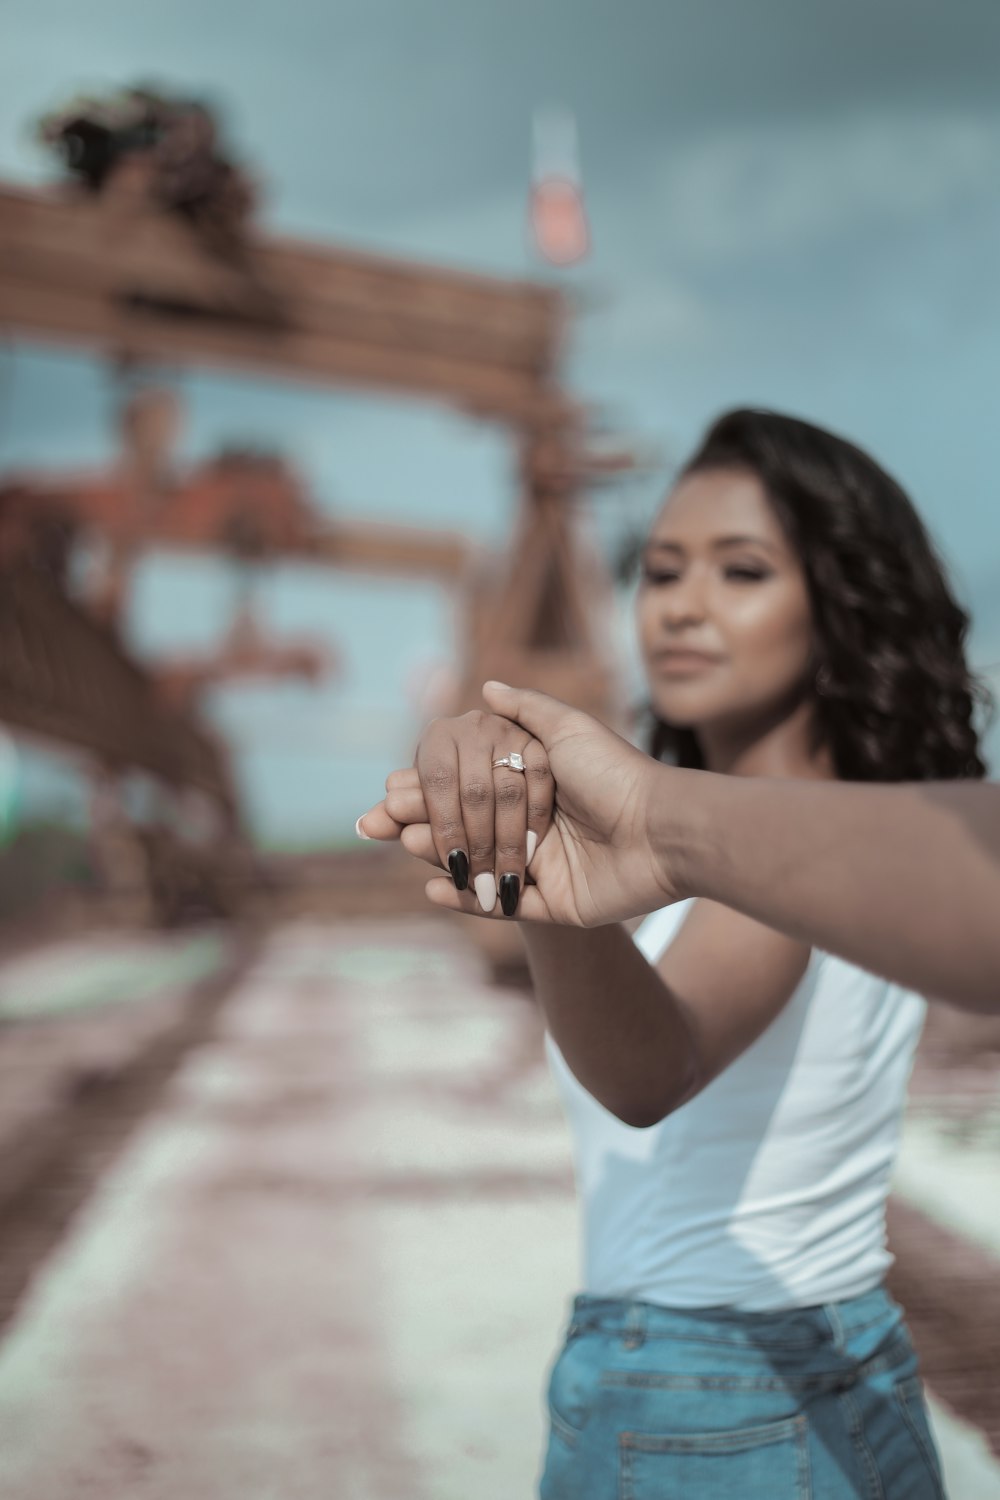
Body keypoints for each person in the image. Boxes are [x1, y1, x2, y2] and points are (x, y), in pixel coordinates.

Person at [359, 410, 993, 1497]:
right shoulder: (832, 836)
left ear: (836, 606)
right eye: (659, 572)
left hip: (718, 1396)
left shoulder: (777, 842)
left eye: (740, 571)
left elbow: (654, 1070)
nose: (682, 606)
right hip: (809, 1376)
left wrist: (555, 908)